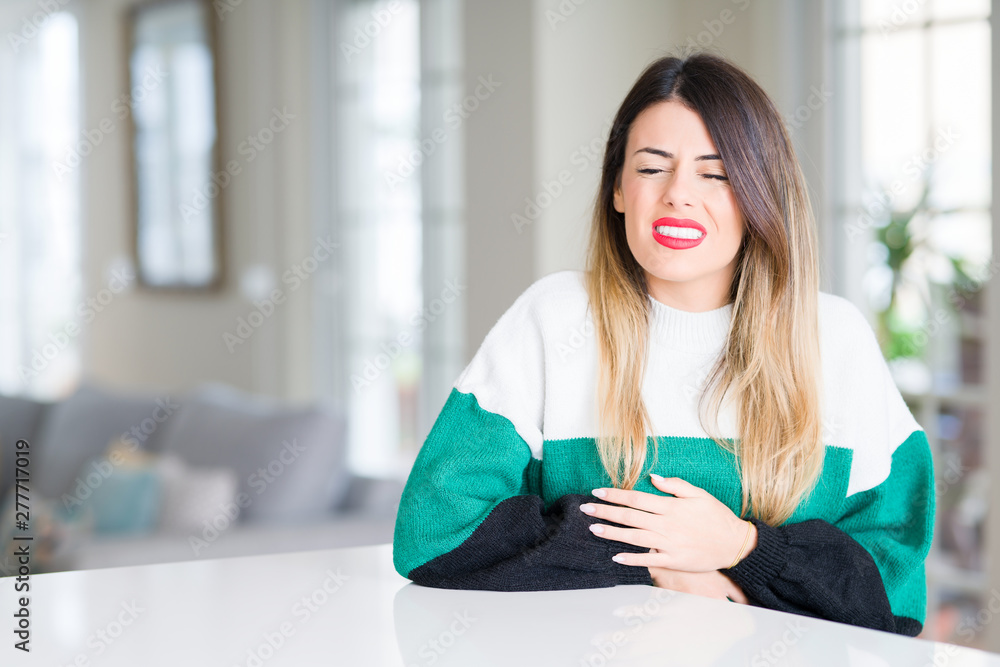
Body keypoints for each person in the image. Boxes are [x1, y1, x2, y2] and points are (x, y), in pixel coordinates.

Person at [391, 52, 934, 637]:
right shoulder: (554, 317)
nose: (678, 194)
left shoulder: (836, 338)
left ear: (760, 193)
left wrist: (743, 548)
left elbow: (894, 592)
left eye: (715, 174)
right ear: (618, 189)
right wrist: (661, 563)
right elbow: (434, 533)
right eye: (652, 168)